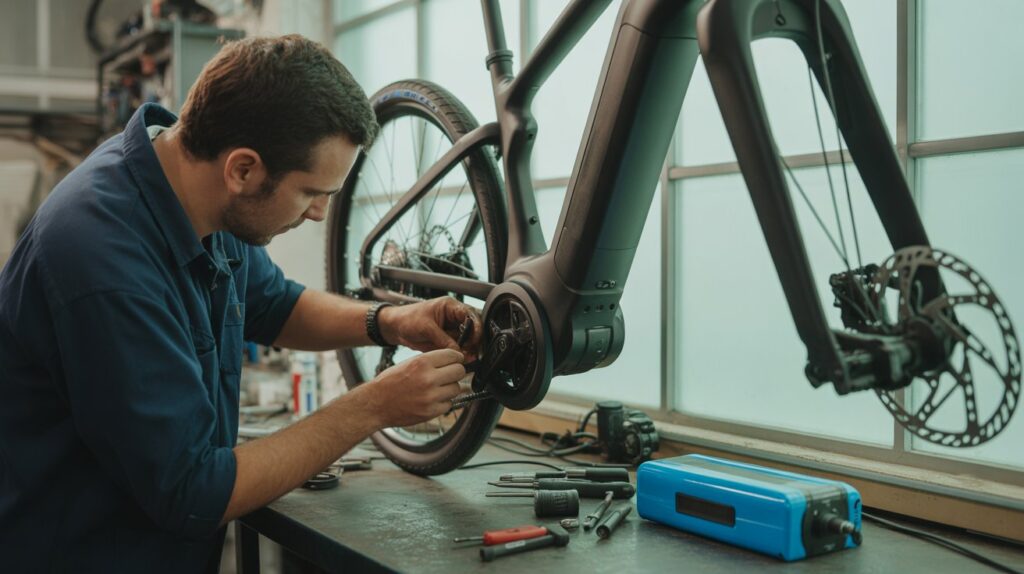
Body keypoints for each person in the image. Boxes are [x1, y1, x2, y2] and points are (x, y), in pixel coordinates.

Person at [0, 34, 479, 572]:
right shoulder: (102, 256)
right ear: (243, 169)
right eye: (311, 193)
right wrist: (374, 405)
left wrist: (390, 322)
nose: (321, 213)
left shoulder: (190, 190)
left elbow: (271, 304)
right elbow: (193, 490)